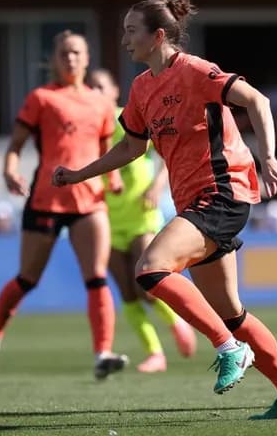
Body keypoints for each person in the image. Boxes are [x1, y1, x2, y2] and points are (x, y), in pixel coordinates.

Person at [52, 0, 277, 419]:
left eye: (131, 30)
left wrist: (268, 155)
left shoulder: (195, 71)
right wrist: (79, 174)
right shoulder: (141, 87)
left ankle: (229, 349)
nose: (124, 40)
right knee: (230, 312)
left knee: (150, 269)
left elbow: (258, 101)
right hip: (197, 203)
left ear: (158, 36)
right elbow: (131, 147)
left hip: (223, 194)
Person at [0, 30, 129, 382]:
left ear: (87, 58)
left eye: (76, 52)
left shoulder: (100, 103)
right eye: (64, 53)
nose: (71, 59)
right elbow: (15, 146)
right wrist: (10, 172)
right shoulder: (41, 98)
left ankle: (102, 352)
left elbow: (106, 148)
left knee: (96, 277)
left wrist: (113, 178)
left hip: (89, 200)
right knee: (27, 279)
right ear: (54, 60)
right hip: (46, 199)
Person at [87, 68, 198, 373]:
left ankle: (177, 324)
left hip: (141, 216)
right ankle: (155, 354)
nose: (95, 92)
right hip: (107, 220)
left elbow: (165, 151)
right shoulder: (87, 126)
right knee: (126, 291)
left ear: (113, 91)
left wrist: (157, 185)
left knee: (148, 283)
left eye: (101, 86)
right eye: (90, 87)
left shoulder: (127, 118)